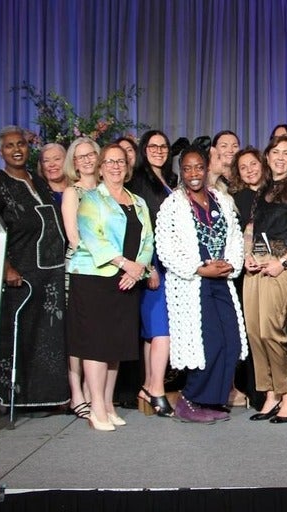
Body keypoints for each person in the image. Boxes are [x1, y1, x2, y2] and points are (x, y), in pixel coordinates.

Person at [0, 126, 69, 411]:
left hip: (50, 274)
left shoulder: (38, 182)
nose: (17, 149)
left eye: (21, 144)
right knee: (19, 335)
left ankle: (49, 398)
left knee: (49, 337)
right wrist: (5, 267)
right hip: (20, 274)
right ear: (0, 151)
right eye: (9, 146)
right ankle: (15, 397)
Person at [66, 143, 155, 431]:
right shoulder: (91, 199)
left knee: (116, 346)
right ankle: (95, 409)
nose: (116, 166)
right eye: (110, 162)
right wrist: (125, 264)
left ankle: (107, 403)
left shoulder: (138, 202)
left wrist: (138, 268)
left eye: (120, 162)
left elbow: (147, 241)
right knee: (97, 346)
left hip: (127, 280)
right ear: (101, 167)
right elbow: (92, 237)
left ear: (127, 168)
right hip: (94, 278)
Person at [157, 147, 247, 423]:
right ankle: (189, 400)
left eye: (198, 167)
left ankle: (212, 401)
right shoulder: (172, 205)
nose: (193, 174)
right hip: (192, 284)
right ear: (181, 172)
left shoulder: (220, 198)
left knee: (231, 341)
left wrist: (230, 264)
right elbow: (165, 249)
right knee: (208, 344)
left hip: (222, 280)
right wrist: (198, 268)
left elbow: (236, 238)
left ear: (207, 168)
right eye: (187, 168)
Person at [242, 135, 287, 423]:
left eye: (286, 153)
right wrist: (247, 255)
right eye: (276, 152)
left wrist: (282, 263)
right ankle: (270, 392)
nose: (281, 158)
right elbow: (250, 226)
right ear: (268, 157)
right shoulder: (262, 191)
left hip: (281, 266)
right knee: (255, 331)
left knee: (272, 330)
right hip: (256, 265)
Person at [127, 130, 176, 417]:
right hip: (152, 261)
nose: (159, 150)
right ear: (144, 149)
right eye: (153, 146)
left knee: (152, 331)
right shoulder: (138, 182)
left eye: (163, 146)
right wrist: (150, 266)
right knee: (161, 329)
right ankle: (157, 388)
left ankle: (147, 385)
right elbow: (141, 230)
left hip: (168, 260)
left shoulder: (169, 181)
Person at [60, 137, 101, 418]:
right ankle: (76, 393)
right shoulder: (72, 193)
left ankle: (92, 390)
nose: (86, 160)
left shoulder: (106, 191)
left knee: (99, 333)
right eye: (80, 156)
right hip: (81, 267)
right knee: (79, 331)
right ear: (73, 162)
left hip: (107, 270)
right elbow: (74, 237)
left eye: (91, 155)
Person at [228, 147, 268, 410]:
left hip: (274, 269)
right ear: (238, 173)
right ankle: (255, 392)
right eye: (244, 167)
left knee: (271, 332)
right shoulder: (235, 198)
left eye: (253, 164)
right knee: (251, 332)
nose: (250, 170)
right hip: (246, 273)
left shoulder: (274, 194)